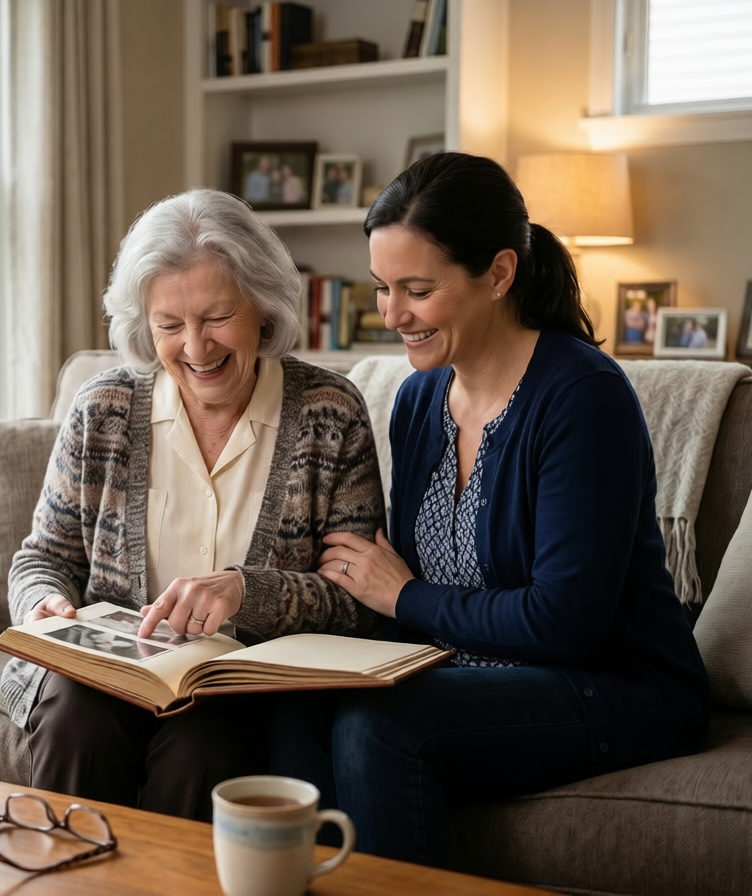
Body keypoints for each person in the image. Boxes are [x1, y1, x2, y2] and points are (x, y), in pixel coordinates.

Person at [270, 152, 710, 865]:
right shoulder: (417, 399)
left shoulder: (581, 398)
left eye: (417, 289)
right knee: (296, 705)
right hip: (463, 672)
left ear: (499, 273)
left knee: (380, 726)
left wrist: (406, 596)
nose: (392, 315)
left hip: (612, 688)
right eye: (383, 288)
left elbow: (564, 622)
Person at [2, 187, 385, 822]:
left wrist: (245, 591)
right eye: (170, 326)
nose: (196, 348)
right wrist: (40, 602)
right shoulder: (105, 410)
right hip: (107, 680)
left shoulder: (330, 413)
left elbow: (356, 603)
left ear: (261, 307)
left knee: (205, 747)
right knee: (75, 720)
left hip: (235, 692)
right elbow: (42, 556)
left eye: (216, 318)